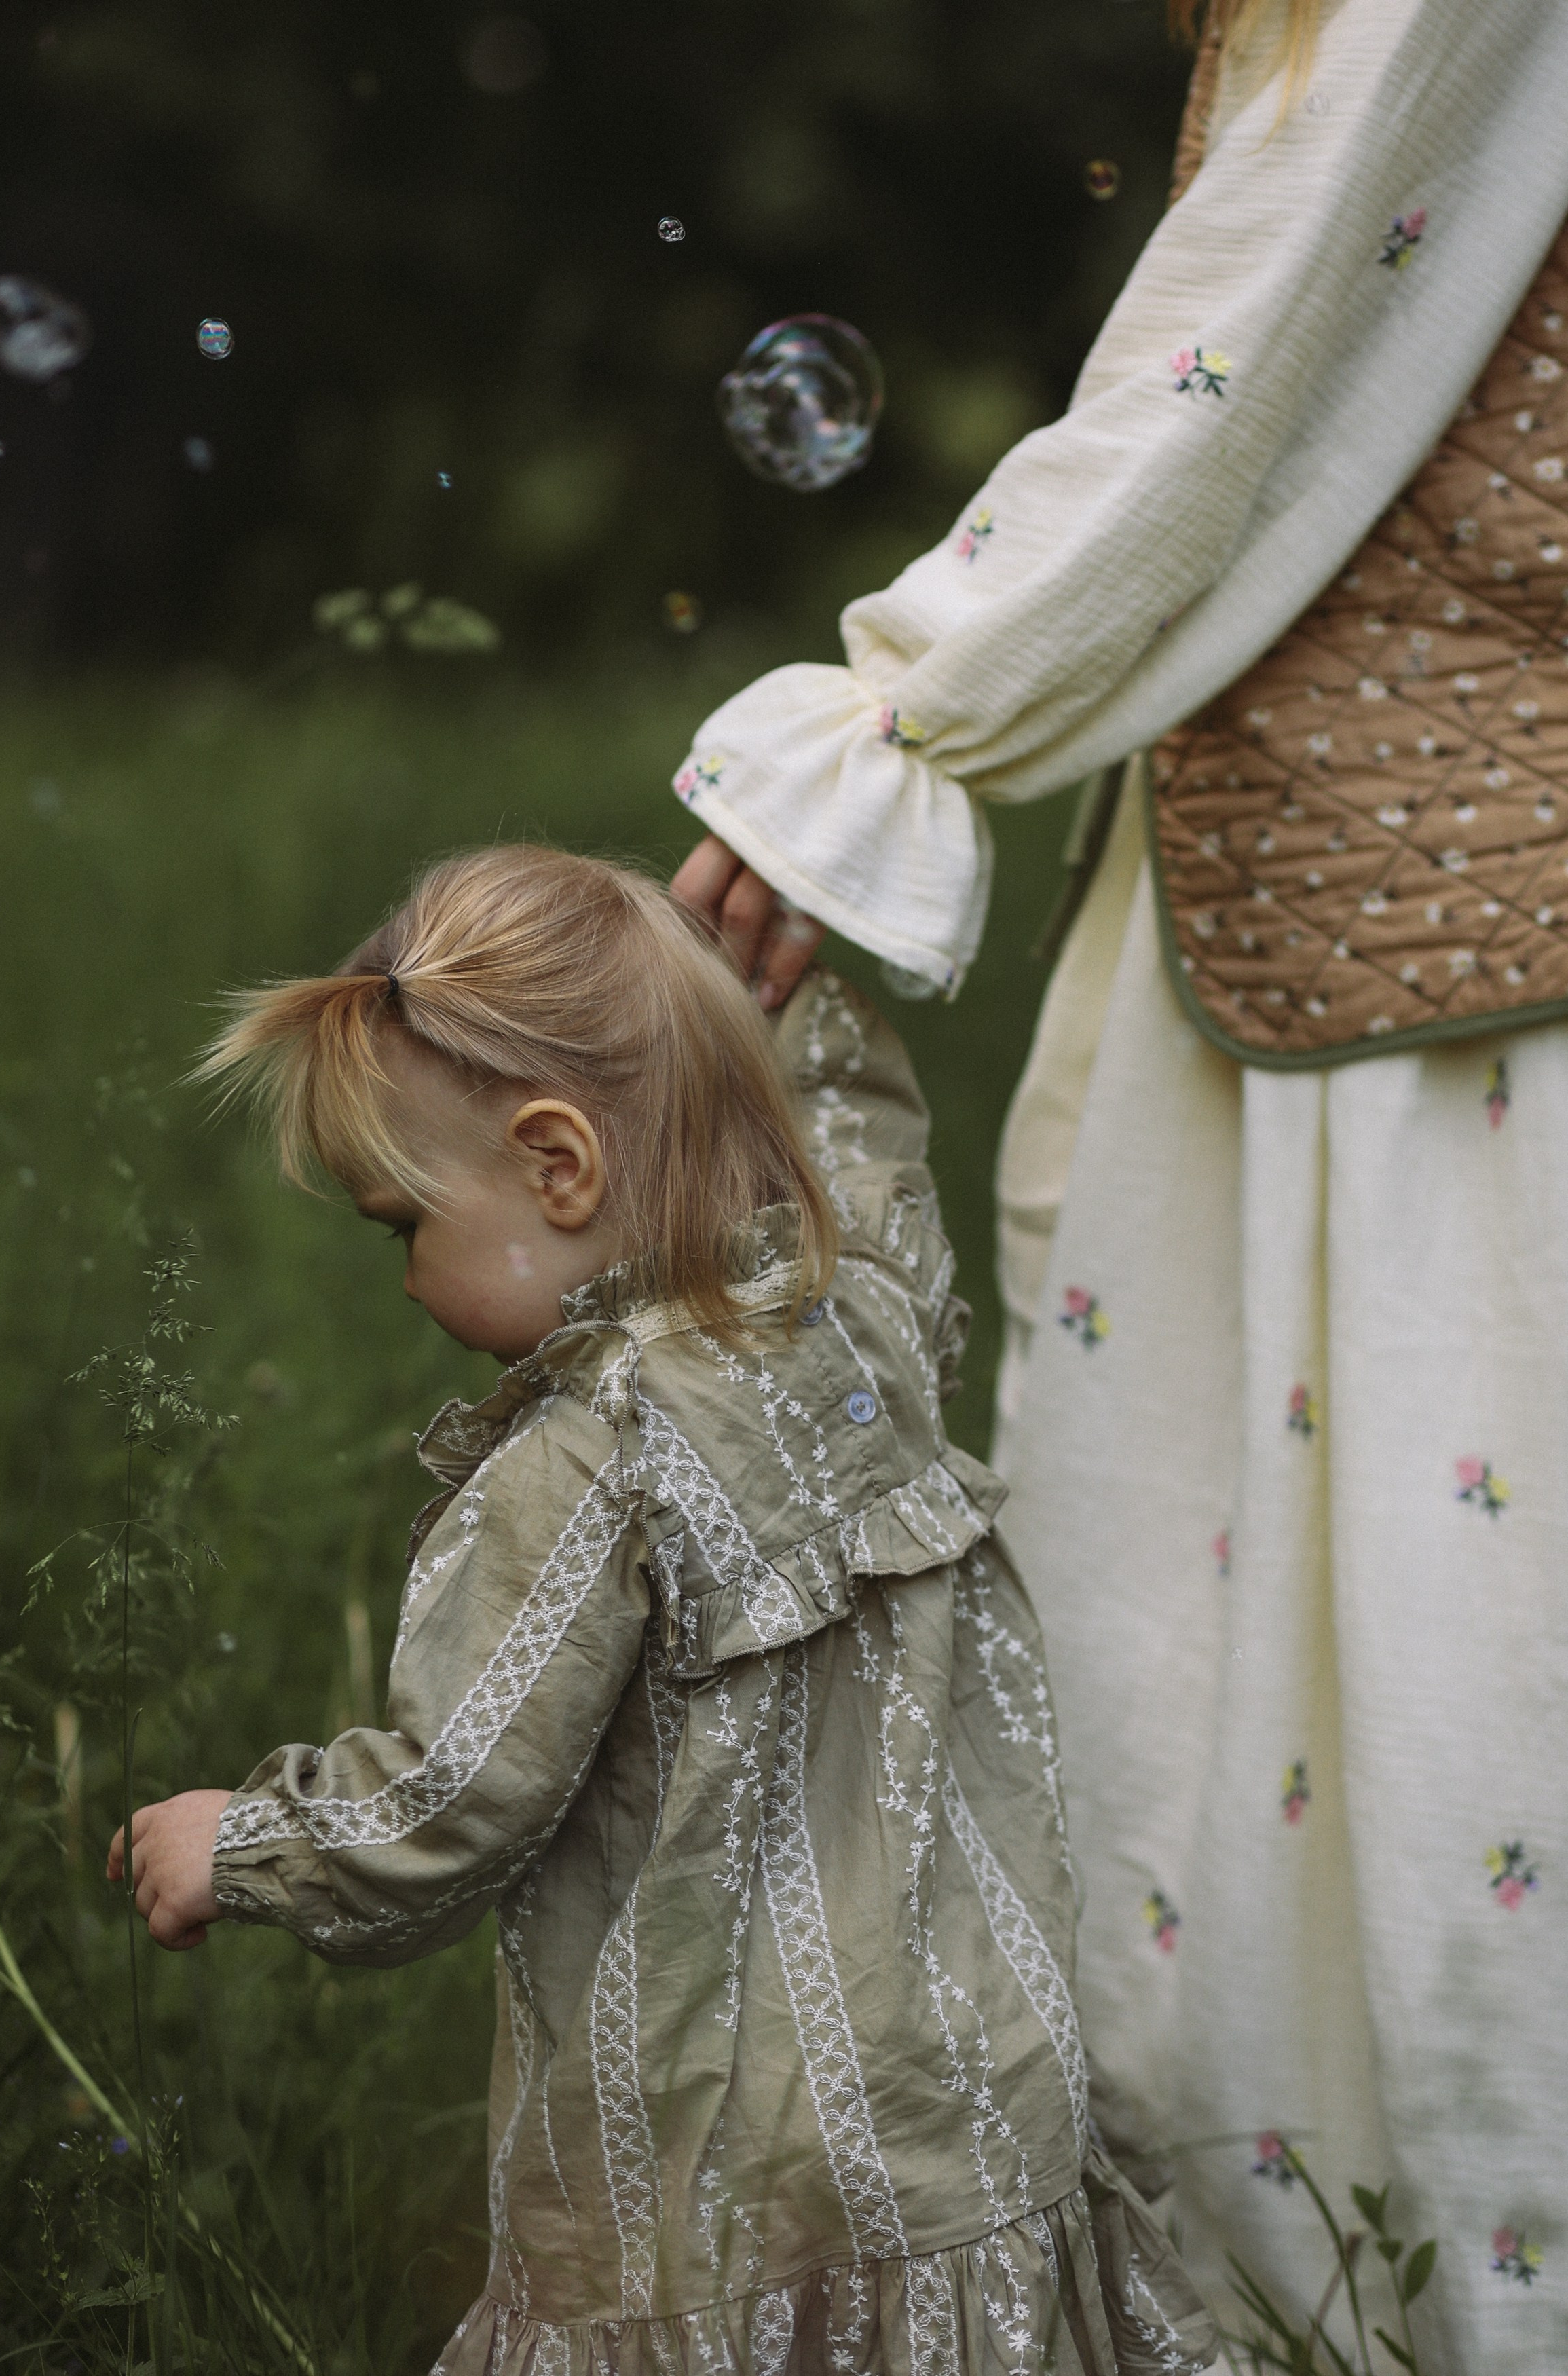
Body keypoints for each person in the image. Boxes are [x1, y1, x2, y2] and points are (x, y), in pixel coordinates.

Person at [669, 3, 1568, 2369]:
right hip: (1349, 886)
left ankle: (1409, 2266)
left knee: (1444, 1641)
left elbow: (1243, 347)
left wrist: (884, 727)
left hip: (1462, 943)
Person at [108, 847, 1216, 2376]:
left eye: (400, 1224)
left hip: (722, 2176)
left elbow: (457, 1789)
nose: (403, 1281)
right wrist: (803, 1001)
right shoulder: (864, 1319)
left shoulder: (587, 1465)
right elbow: (865, 1138)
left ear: (559, 1166)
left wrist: (239, 1840)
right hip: (966, 2100)